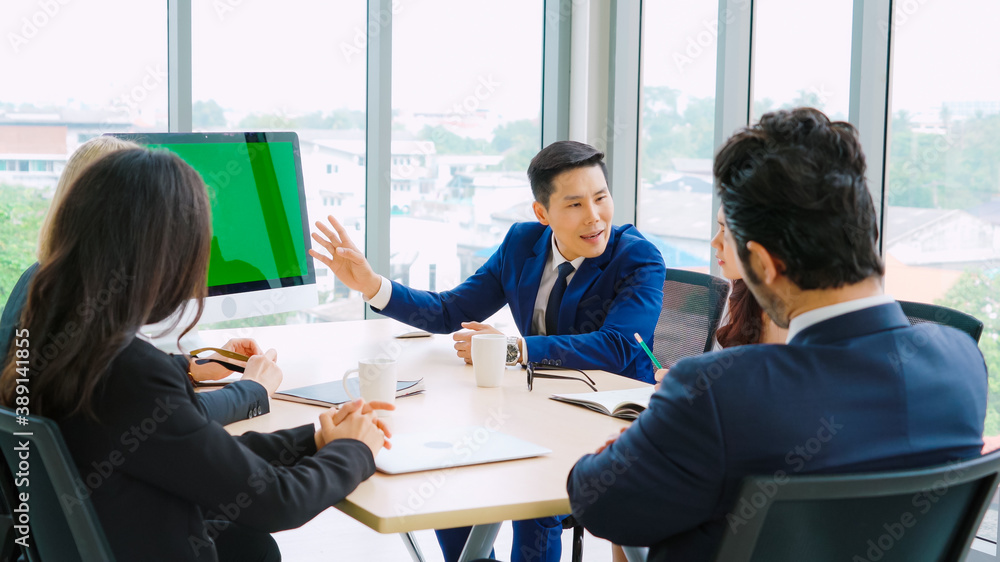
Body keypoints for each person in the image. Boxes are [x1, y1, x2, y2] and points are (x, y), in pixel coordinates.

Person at [566, 108, 988, 560]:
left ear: (764, 266)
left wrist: (655, 431)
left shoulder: (717, 391)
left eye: (726, 233)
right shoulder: (963, 362)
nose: (715, 246)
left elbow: (598, 503)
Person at [0, 148, 392, 561]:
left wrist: (315, 438)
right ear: (165, 256)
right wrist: (354, 451)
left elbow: (203, 457)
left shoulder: (49, 339)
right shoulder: (128, 373)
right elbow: (275, 502)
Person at [311, 140, 666, 562]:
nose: (594, 217)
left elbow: (618, 345)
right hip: (534, 408)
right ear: (542, 213)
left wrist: (511, 350)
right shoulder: (522, 243)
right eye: (574, 205)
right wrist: (373, 286)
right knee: (445, 479)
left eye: (601, 198)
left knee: (534, 498)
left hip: (611, 424)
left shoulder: (637, 257)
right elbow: (450, 311)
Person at [0, 136, 276, 425]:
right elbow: (169, 412)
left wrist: (194, 367)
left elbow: (122, 382)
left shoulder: (43, 281)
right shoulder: (85, 308)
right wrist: (253, 390)